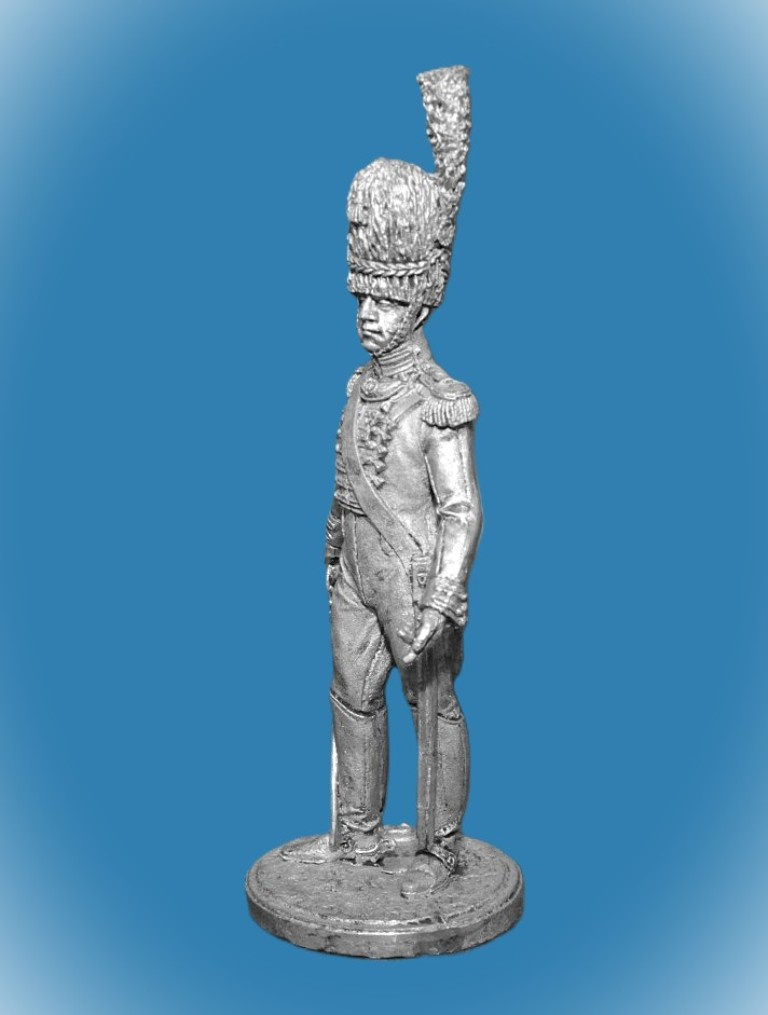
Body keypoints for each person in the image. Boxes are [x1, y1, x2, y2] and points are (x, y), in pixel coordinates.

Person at [288, 66, 480, 898]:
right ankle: (357, 837)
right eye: (361, 299)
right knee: (351, 697)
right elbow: (344, 481)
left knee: (431, 706)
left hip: (411, 575)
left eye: (386, 303)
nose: (368, 315)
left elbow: (461, 509)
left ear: (421, 305)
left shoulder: (442, 401)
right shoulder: (356, 386)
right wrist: (333, 550)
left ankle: (442, 846)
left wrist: (443, 593)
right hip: (356, 571)